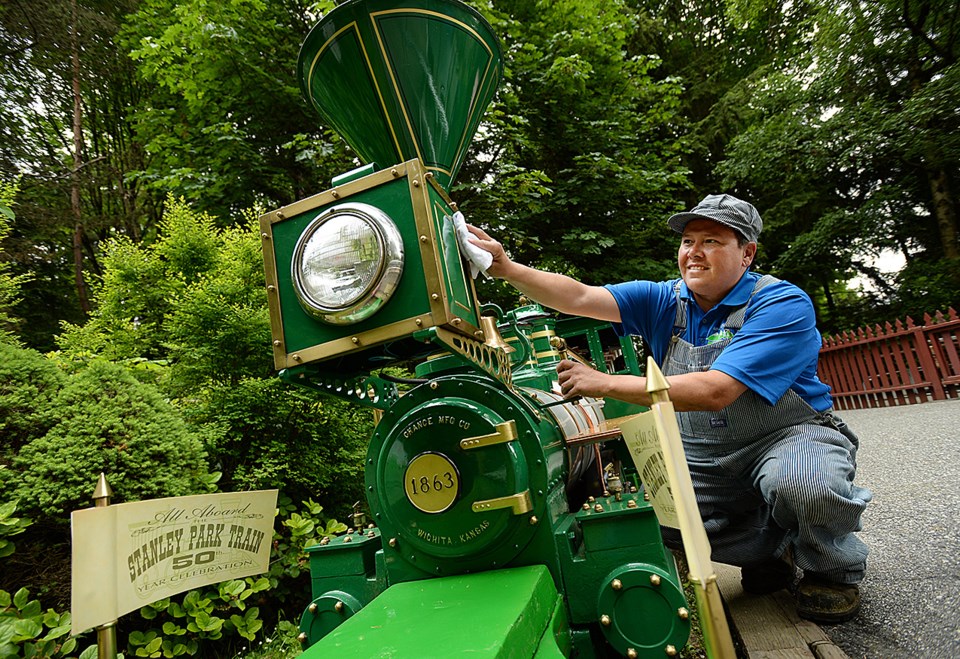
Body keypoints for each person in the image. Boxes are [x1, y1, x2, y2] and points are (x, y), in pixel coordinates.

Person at [466, 193, 870, 624]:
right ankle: (772, 549)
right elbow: (580, 298)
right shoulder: (663, 300)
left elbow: (716, 390)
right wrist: (505, 267)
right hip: (701, 451)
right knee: (646, 514)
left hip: (785, 436)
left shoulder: (780, 304)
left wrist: (606, 383)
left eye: (711, 241)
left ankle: (832, 572)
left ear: (747, 253)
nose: (694, 252)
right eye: (687, 241)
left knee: (804, 483)